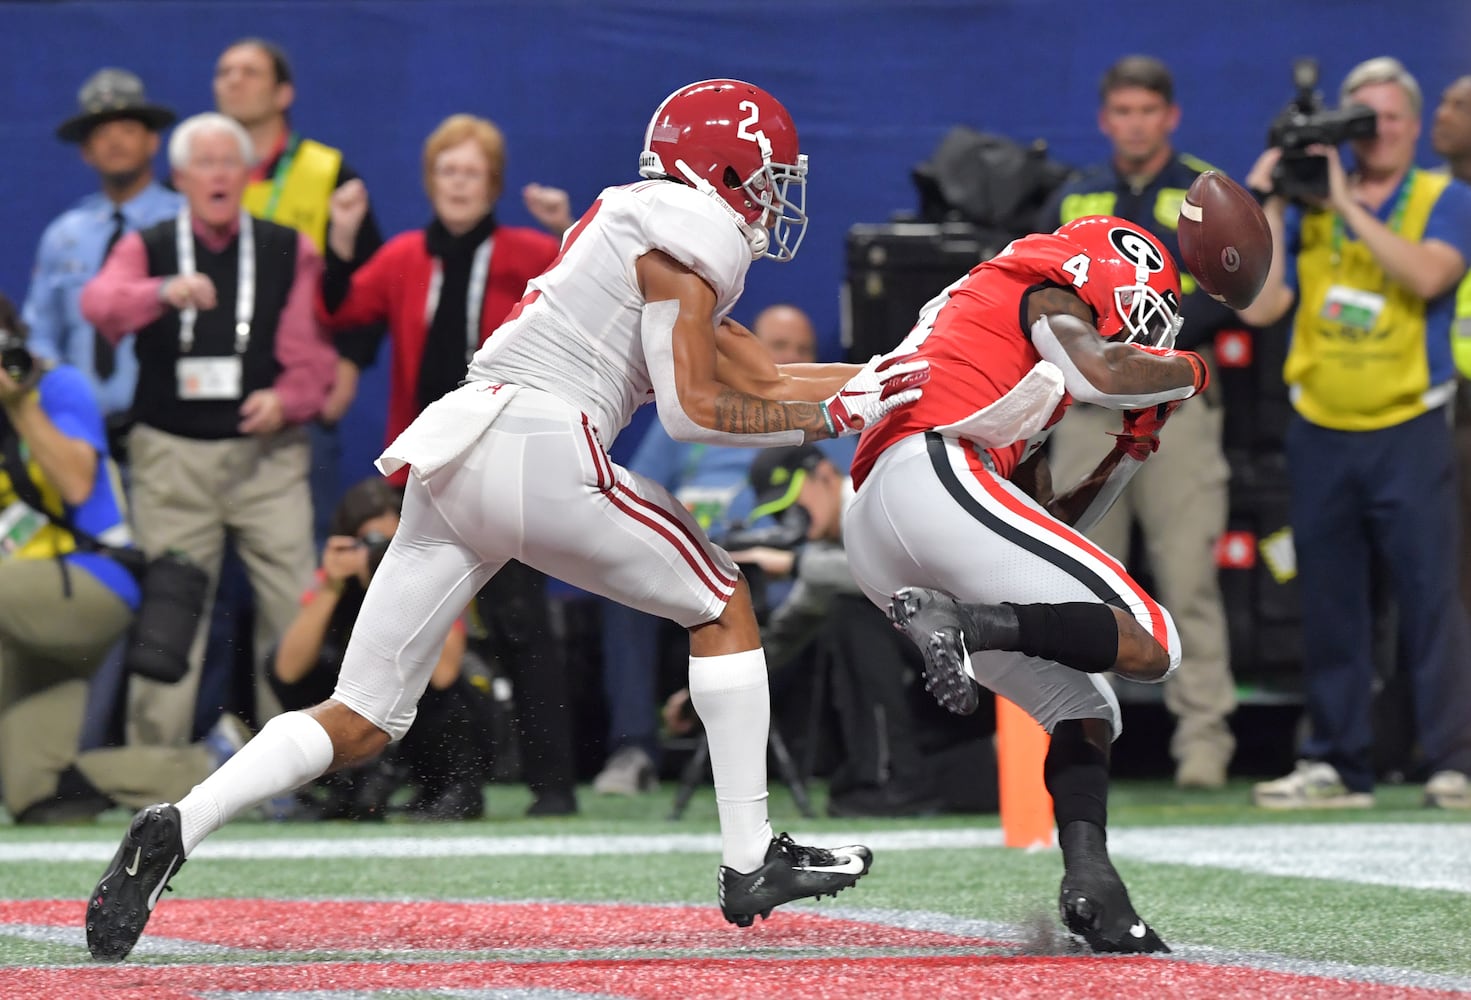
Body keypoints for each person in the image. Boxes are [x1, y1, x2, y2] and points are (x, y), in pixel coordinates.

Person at [84, 79, 914, 962]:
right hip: (542, 444)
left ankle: (180, 822)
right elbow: (695, 409)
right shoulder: (692, 224)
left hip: (460, 448)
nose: (769, 195)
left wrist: (886, 379)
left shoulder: (637, 223)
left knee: (363, 715)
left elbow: (760, 372)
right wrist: (838, 415)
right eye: (764, 175)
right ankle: (750, 858)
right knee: (721, 600)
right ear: (725, 164)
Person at [843, 212, 1210, 953]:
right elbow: (1105, 371)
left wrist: (1128, 453)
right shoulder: (1049, 294)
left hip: (887, 527)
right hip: (934, 473)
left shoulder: (1003, 346)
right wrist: (1191, 372)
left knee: (1086, 701)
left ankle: (1093, 887)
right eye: (1143, 320)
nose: (1144, 340)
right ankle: (966, 623)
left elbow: (1039, 523)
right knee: (1159, 644)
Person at [317, 113, 578, 818]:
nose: (458, 184)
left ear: (491, 183)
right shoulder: (402, 257)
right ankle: (428, 780)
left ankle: (553, 787)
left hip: (509, 461)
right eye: (447, 171)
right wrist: (340, 240)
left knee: (521, 625)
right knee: (411, 629)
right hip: (427, 470)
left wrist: (568, 231)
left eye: (471, 172)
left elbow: (589, 299)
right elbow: (341, 313)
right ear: (431, 181)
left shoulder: (527, 249)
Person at [1239, 57, 1471, 811]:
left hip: (1408, 423)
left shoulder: (1444, 196)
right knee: (1330, 604)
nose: (1375, 135)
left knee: (1429, 599)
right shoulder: (1308, 206)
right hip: (1320, 427)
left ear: (1410, 125)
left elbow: (1427, 276)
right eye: (1359, 121)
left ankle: (1454, 760)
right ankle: (1335, 761)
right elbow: (1259, 306)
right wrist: (1267, 198)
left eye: (1388, 120)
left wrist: (1342, 199)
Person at [80, 112, 336, 749]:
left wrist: (287, 400)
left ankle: (304, 769)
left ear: (248, 175)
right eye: (205, 164)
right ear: (181, 178)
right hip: (173, 459)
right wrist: (162, 293)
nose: (218, 175)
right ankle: (153, 769)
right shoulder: (151, 244)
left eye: (230, 163)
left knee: (292, 606)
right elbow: (100, 304)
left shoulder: (287, 245)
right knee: (172, 616)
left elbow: (313, 357)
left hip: (265, 459)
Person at [1038, 55, 1237, 790]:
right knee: (1073, 579)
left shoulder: (1200, 190)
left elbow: (1229, 286)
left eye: (1146, 111)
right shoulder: (1076, 195)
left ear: (1169, 116)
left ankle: (1203, 746)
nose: (1134, 124)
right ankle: (1078, 743)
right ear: (1104, 119)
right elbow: (1041, 291)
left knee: (1188, 579)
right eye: (1121, 111)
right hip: (1088, 407)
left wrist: (1138, 329)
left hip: (1176, 407)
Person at [0, 292, 248, 824]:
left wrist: (18, 404)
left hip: (95, 583)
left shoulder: (54, 386)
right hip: (23, 607)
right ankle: (225, 765)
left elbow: (74, 480)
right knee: (39, 797)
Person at [594, 302, 853, 796]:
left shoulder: (824, 419)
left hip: (774, 572)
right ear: (752, 349)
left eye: (804, 351)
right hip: (685, 556)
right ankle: (633, 751)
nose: (792, 358)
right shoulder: (695, 406)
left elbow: (834, 503)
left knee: (799, 597)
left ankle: (767, 760)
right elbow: (634, 487)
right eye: (780, 347)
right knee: (622, 599)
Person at [664, 444, 1000, 817]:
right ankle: (899, 777)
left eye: (793, 504)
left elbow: (906, 581)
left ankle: (888, 781)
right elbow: (787, 634)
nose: (791, 520)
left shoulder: (875, 500)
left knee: (852, 614)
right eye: (779, 514)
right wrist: (708, 691)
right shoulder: (825, 551)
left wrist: (796, 564)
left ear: (824, 474)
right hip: (955, 688)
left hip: (992, 650)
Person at [213, 36, 386, 540]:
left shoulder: (328, 173)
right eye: (224, 72)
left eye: (249, 72)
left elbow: (369, 282)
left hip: (301, 393)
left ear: (283, 93)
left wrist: (350, 368)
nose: (234, 81)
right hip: (213, 387)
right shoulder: (199, 176)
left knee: (304, 543)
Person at [271, 478, 485, 821]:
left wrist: (392, 583)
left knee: (436, 683)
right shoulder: (336, 579)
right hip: (368, 720)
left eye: (392, 544)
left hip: (437, 718)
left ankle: (453, 788)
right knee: (306, 667)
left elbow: (445, 674)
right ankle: (345, 783)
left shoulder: (434, 573)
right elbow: (287, 670)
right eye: (372, 543)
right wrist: (331, 585)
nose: (381, 554)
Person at [22, 69, 180, 455]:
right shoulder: (64, 235)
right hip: (80, 434)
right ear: (85, 151)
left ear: (152, 142)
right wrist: (64, 401)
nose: (114, 141)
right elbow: (40, 333)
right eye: (101, 132)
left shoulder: (186, 224)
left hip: (170, 430)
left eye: (127, 128)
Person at [1430, 76, 1471, 617]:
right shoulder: (1428, 198)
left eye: (1460, 107)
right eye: (1442, 102)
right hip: (1444, 407)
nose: (1444, 114)